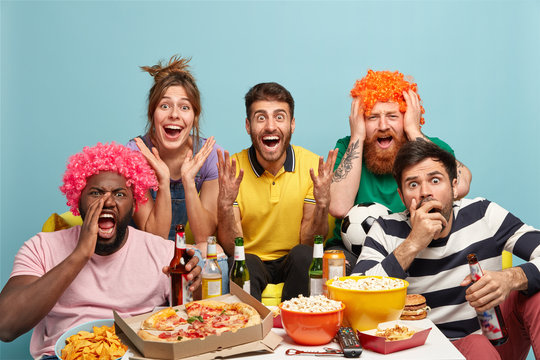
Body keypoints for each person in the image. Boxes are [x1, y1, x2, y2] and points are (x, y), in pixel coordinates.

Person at [0, 143, 202, 359]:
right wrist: (80, 255)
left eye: (119, 194)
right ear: (77, 202)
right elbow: (6, 326)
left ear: (134, 205)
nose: (107, 202)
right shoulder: (40, 248)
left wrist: (194, 289)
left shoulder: (164, 252)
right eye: (96, 193)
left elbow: (192, 324)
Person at [354, 139, 540, 360]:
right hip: (423, 351)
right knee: (476, 344)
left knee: (535, 294)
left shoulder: (483, 214)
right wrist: (412, 244)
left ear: (454, 186)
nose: (425, 192)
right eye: (413, 184)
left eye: (435, 180)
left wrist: (511, 277)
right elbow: (356, 299)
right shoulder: (385, 230)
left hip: (497, 336)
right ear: (402, 195)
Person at [328, 69, 473, 274]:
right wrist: (358, 135)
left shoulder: (431, 149)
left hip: (416, 247)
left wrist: (414, 130)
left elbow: (463, 183)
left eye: (393, 116)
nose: (383, 125)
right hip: (351, 252)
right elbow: (338, 207)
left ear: (406, 118)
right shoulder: (348, 147)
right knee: (333, 265)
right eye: (372, 117)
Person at [217, 82, 337, 301]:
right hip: (252, 261)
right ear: (248, 125)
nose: (270, 126)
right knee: (244, 262)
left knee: (304, 255)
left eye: (279, 117)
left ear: (292, 125)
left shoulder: (311, 165)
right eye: (261, 118)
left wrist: (322, 204)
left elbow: (309, 242)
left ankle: (298, 324)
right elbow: (230, 246)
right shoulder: (233, 168)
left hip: (293, 259)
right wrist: (224, 205)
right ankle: (249, 330)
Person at [125, 55, 228, 292]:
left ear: (193, 118)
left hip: (187, 247)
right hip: (144, 250)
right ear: (152, 114)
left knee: (215, 254)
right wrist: (162, 180)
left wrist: (189, 181)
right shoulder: (135, 154)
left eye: (184, 107)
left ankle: (215, 322)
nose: (174, 114)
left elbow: (203, 236)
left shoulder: (210, 155)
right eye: (164, 106)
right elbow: (154, 237)